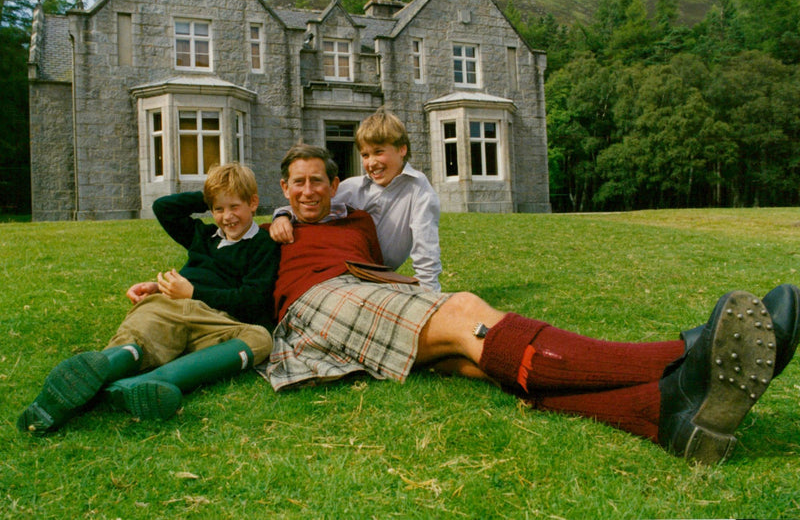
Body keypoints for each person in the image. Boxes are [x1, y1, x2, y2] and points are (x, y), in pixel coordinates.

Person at [260, 144, 800, 464]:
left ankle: (664, 416)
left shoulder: (357, 220)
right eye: (296, 184)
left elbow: (390, 241)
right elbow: (204, 227)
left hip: (374, 289)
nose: (308, 191)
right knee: (465, 312)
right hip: (318, 302)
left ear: (337, 184)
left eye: (317, 181)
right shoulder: (268, 233)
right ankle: (681, 355)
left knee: (476, 357)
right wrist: (270, 223)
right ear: (283, 187)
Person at [18, 162, 279, 432]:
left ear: (253, 203)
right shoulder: (202, 235)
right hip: (171, 305)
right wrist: (212, 195)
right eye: (218, 209)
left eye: (234, 206)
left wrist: (194, 292)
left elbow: (254, 299)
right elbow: (164, 208)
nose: (227, 217)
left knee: (260, 339)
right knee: (139, 338)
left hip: (215, 322)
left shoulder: (263, 243)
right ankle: (90, 379)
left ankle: (143, 384)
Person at [270, 108, 441, 291]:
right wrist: (282, 215)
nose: (371, 162)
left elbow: (426, 252)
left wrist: (429, 294)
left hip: (377, 273)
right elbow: (311, 204)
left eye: (378, 152)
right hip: (341, 268)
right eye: (365, 155)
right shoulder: (353, 187)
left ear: (402, 149)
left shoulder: (419, 191)